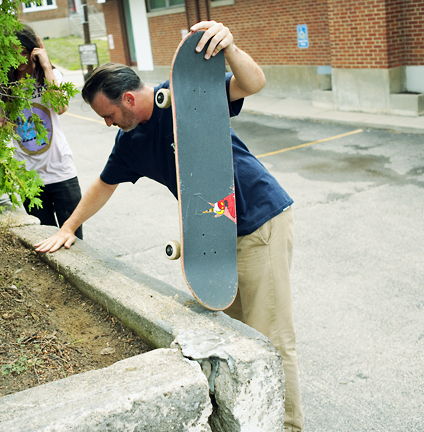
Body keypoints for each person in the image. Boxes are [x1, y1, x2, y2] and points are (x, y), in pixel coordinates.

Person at [34, 20, 303, 432]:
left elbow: (253, 83)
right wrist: (68, 227)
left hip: (259, 221)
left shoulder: (185, 93)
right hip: (214, 236)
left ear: (126, 98)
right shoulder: (130, 142)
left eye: (108, 115)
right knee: (233, 335)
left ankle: (287, 426)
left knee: (271, 336)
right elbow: (102, 186)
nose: (107, 124)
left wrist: (229, 47)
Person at [0, 24, 83, 239]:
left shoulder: (49, 77)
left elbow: (61, 107)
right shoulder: (6, 85)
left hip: (61, 172)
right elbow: (5, 126)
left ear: (34, 50)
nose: (20, 60)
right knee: (45, 241)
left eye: (25, 52)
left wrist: (46, 67)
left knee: (74, 240)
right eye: (14, 54)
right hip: (29, 177)